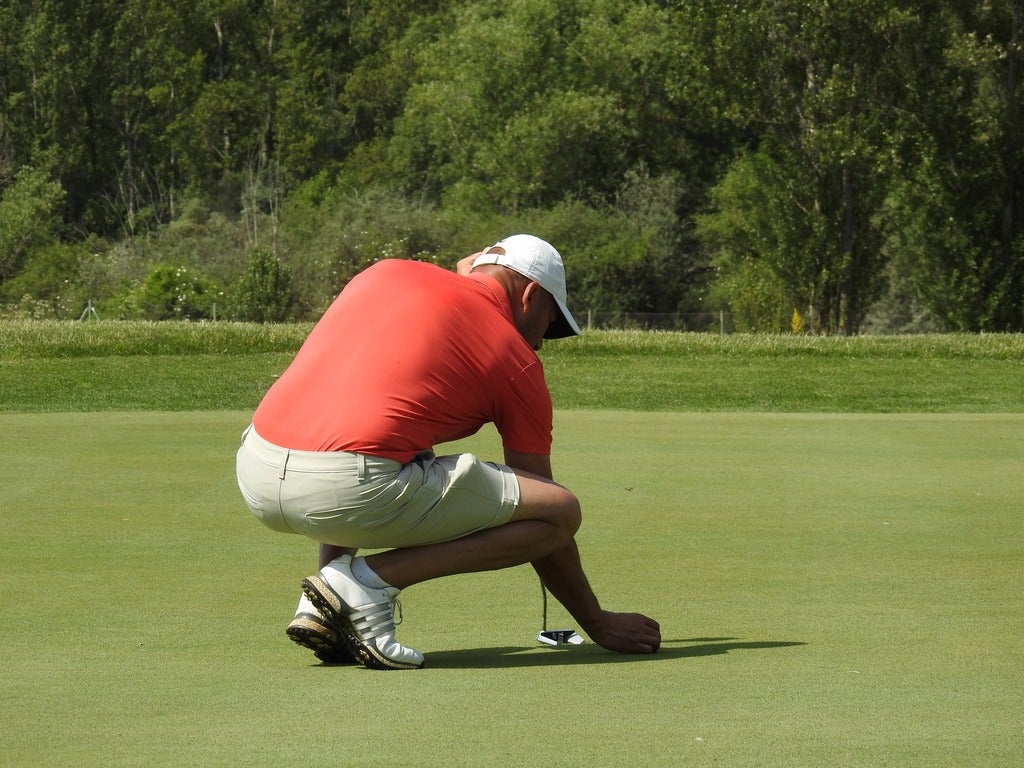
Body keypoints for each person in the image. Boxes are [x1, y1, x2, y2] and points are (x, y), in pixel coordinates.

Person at [235, 234, 660, 669]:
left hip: (256, 471)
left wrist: (471, 280)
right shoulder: (515, 358)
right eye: (550, 322)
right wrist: (596, 622)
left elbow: (457, 298)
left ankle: (322, 605)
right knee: (559, 512)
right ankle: (364, 585)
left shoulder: (386, 273)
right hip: (347, 490)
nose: (541, 342)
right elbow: (543, 506)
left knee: (395, 433)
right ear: (531, 295)